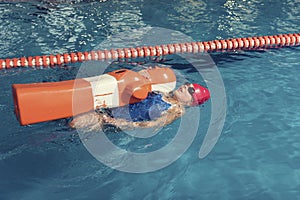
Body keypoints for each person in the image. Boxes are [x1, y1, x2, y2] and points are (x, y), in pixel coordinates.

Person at [69, 68, 210, 131]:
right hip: (110, 106)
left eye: (191, 90)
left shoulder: (176, 110)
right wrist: (144, 75)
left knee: (73, 124)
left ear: (192, 102)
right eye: (186, 85)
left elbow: (152, 125)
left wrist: (118, 123)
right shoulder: (165, 92)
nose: (185, 87)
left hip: (108, 121)